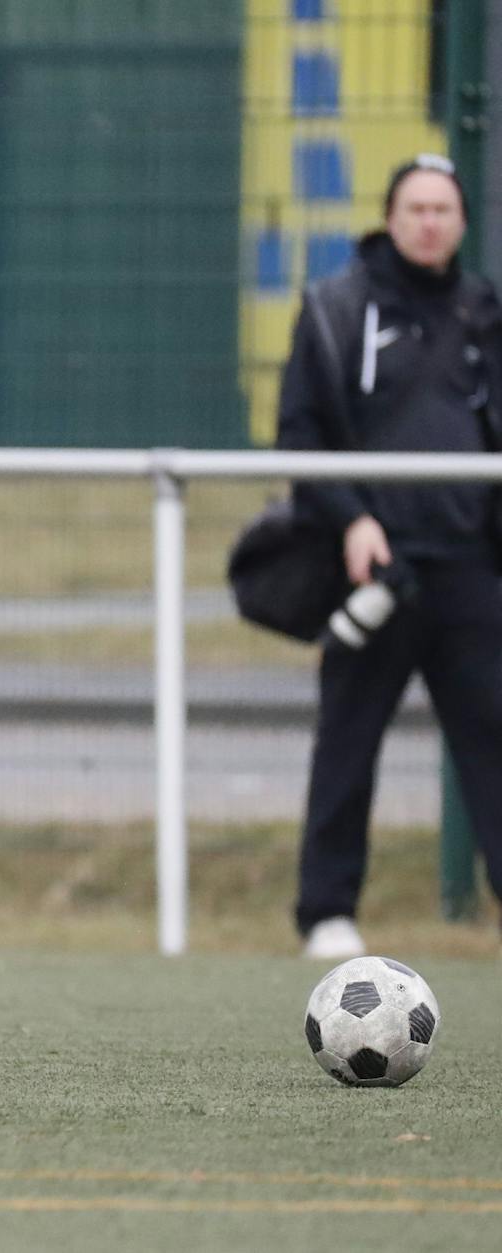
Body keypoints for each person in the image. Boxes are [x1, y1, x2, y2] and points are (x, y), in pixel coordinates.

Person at [276, 153, 502, 958]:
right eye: (416, 208)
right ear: (390, 215)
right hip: (375, 568)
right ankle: (327, 913)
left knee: (492, 736)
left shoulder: (485, 313)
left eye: (445, 208)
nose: (430, 222)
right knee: (348, 735)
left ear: (463, 222)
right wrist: (351, 521)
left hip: (472, 567)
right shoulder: (338, 310)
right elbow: (299, 438)